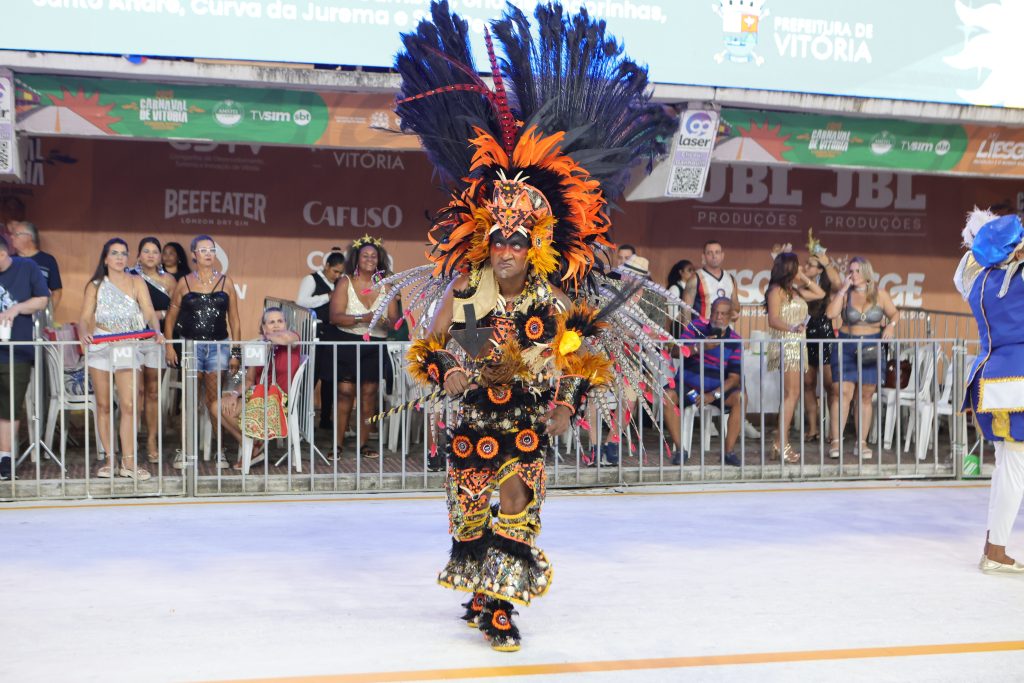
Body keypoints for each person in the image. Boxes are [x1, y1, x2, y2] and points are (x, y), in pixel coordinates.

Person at [389, 1, 673, 652]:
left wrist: (567, 405)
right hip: (469, 425)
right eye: (499, 236)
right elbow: (425, 348)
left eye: (519, 237)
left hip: (521, 422)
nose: (508, 245)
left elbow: (582, 357)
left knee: (514, 505)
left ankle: (499, 606)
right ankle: (480, 584)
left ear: (537, 241)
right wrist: (448, 368)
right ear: (486, 240)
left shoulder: (552, 300)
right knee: (467, 519)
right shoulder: (465, 292)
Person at [955, 210, 1024, 574]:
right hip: (1014, 384)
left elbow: (971, 259)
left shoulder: (976, 280)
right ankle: (996, 551)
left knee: (1006, 466)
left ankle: (992, 545)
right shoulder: (1017, 280)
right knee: (1014, 466)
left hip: (988, 378)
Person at [79, 238, 165, 480]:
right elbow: (85, 317)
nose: (119, 258)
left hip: (128, 345)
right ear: (105, 258)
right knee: (104, 405)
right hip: (101, 344)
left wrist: (156, 330)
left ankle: (129, 463)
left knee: (128, 405)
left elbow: (148, 312)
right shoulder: (95, 284)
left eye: (123, 254)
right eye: (114, 253)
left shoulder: (136, 281)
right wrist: (84, 332)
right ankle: (110, 460)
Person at [163, 235, 242, 469]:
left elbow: (235, 321)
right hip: (191, 347)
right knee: (188, 401)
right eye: (203, 250)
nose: (208, 253)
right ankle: (184, 451)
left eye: (211, 249)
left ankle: (221, 451)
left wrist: (235, 352)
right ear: (194, 255)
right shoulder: (184, 282)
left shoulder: (226, 282)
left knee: (213, 401)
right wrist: (169, 345)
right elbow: (171, 317)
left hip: (219, 348)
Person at [327, 235, 398, 459]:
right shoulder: (345, 281)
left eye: (373, 256)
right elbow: (335, 317)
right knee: (344, 393)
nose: (369, 259)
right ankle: (337, 445)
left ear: (379, 260)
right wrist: (364, 318)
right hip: (348, 343)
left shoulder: (387, 284)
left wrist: (388, 317)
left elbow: (396, 322)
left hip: (374, 345)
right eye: (365, 255)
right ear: (357, 259)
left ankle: (363, 444)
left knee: (369, 395)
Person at [824, 256, 900, 460]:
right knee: (842, 392)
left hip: (872, 346)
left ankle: (862, 442)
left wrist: (891, 327)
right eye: (851, 271)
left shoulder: (880, 294)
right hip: (846, 344)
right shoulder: (845, 293)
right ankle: (836, 441)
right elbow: (831, 314)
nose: (853, 275)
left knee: (866, 396)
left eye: (857, 271)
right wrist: (841, 290)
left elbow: (894, 314)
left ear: (866, 273)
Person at [664, 297, 744, 466]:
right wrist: (699, 348)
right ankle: (680, 450)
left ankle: (728, 452)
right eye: (715, 312)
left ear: (730, 317)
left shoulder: (735, 340)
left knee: (741, 398)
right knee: (668, 395)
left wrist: (713, 395)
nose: (718, 317)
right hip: (689, 389)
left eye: (723, 314)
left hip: (716, 390)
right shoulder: (695, 328)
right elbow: (676, 352)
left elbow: (734, 378)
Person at [220, 307, 301, 469]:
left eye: (280, 321)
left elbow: (285, 338)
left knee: (236, 409)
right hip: (258, 398)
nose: (277, 325)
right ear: (263, 327)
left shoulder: (293, 337)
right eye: (271, 322)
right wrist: (235, 394)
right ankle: (253, 446)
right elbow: (249, 380)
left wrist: (267, 339)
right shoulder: (257, 347)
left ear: (286, 323)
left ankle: (252, 447)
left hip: (281, 401)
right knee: (218, 406)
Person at [764, 251, 825, 463]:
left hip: (799, 345)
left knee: (793, 395)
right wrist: (791, 327)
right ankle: (782, 443)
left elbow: (820, 294)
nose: (799, 269)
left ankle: (779, 443)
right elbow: (773, 319)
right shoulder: (776, 290)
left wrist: (804, 278)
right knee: (791, 395)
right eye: (796, 266)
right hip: (786, 344)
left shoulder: (795, 290)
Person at [0, 235, 50, 481]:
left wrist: (16, 308)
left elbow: (42, 299)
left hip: (16, 350)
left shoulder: (26, 267)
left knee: (10, 404)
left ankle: (5, 457)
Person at [131, 237, 177, 463]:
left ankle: (151, 440)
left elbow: (175, 313)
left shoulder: (169, 281)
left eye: (155, 252)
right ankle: (128, 441)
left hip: (156, 341)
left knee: (152, 392)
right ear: (138, 255)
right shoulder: (129, 277)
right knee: (134, 393)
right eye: (146, 251)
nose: (150, 255)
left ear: (160, 256)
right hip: (130, 340)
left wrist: (158, 316)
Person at [295, 251, 346, 430]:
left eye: (341, 273)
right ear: (327, 267)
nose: (338, 276)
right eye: (335, 272)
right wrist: (327, 297)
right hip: (314, 335)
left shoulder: (341, 283)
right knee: (311, 377)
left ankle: (325, 418)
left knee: (330, 379)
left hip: (334, 334)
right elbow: (300, 302)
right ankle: (301, 419)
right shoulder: (311, 280)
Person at [801, 234, 842, 442]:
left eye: (810, 264)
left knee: (830, 386)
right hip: (807, 333)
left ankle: (832, 432)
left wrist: (827, 263)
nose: (806, 267)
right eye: (806, 264)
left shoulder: (828, 285)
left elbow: (838, 283)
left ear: (819, 269)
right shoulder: (803, 283)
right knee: (808, 383)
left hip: (826, 334)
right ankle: (813, 429)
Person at [7, 220, 62, 316]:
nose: (11, 237)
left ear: (29, 237)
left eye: (16, 234)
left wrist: (47, 315)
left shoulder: (48, 260)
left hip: (38, 320)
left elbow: (56, 292)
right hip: (13, 318)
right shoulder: (9, 261)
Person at [684, 240, 740, 324]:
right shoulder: (695, 279)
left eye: (717, 252)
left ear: (722, 255)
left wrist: (734, 312)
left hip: (725, 332)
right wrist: (688, 335)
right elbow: (686, 311)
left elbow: (736, 307)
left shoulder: (730, 278)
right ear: (703, 256)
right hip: (702, 332)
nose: (714, 256)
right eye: (710, 253)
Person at [666, 258, 695, 338]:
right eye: (689, 270)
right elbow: (672, 315)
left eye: (693, 270)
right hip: (679, 329)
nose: (692, 273)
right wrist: (686, 317)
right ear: (681, 272)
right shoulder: (675, 288)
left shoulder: (693, 288)